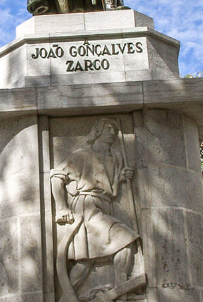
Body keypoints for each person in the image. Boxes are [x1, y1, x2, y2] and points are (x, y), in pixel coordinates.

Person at [50, 118, 138, 295]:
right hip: (87, 207)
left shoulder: (116, 157)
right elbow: (56, 177)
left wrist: (121, 178)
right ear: (98, 131)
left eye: (115, 129)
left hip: (104, 206)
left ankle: (67, 297)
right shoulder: (81, 155)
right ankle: (121, 290)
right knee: (126, 239)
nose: (113, 133)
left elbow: (111, 192)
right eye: (108, 129)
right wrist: (61, 207)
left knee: (84, 262)